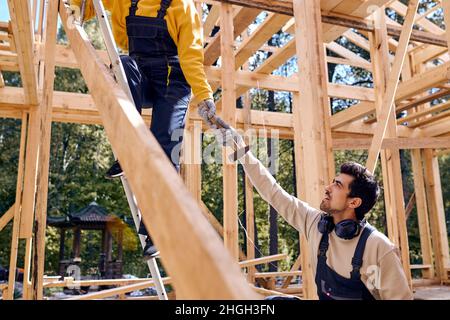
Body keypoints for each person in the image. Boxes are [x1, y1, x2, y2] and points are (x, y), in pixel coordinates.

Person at [68, 0, 217, 260]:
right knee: (123, 64)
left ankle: (155, 231)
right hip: (141, 75)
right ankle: (129, 150)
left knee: (164, 146)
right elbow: (91, 5)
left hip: (174, 81)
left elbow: (191, 56)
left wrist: (205, 96)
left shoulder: (182, 6)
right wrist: (73, 6)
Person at [210, 126, 413, 300]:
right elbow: (273, 193)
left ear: (354, 202)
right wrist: (241, 150)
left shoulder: (377, 247)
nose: (328, 187)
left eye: (338, 185)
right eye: (333, 181)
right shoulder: (315, 224)